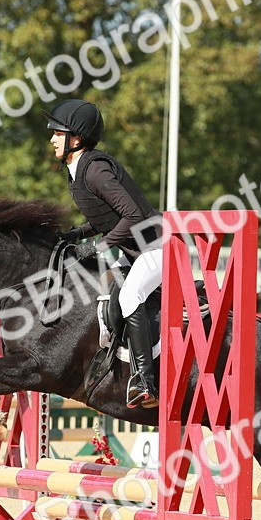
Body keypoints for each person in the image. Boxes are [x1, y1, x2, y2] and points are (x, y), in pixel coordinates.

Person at [44, 99, 162, 409]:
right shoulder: (77, 170)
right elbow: (105, 217)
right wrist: (77, 234)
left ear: (76, 138)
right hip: (134, 250)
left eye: (58, 133)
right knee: (97, 292)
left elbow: (134, 215)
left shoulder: (94, 169)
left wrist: (98, 245)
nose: (52, 139)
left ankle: (145, 383)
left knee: (129, 297)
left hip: (158, 247)